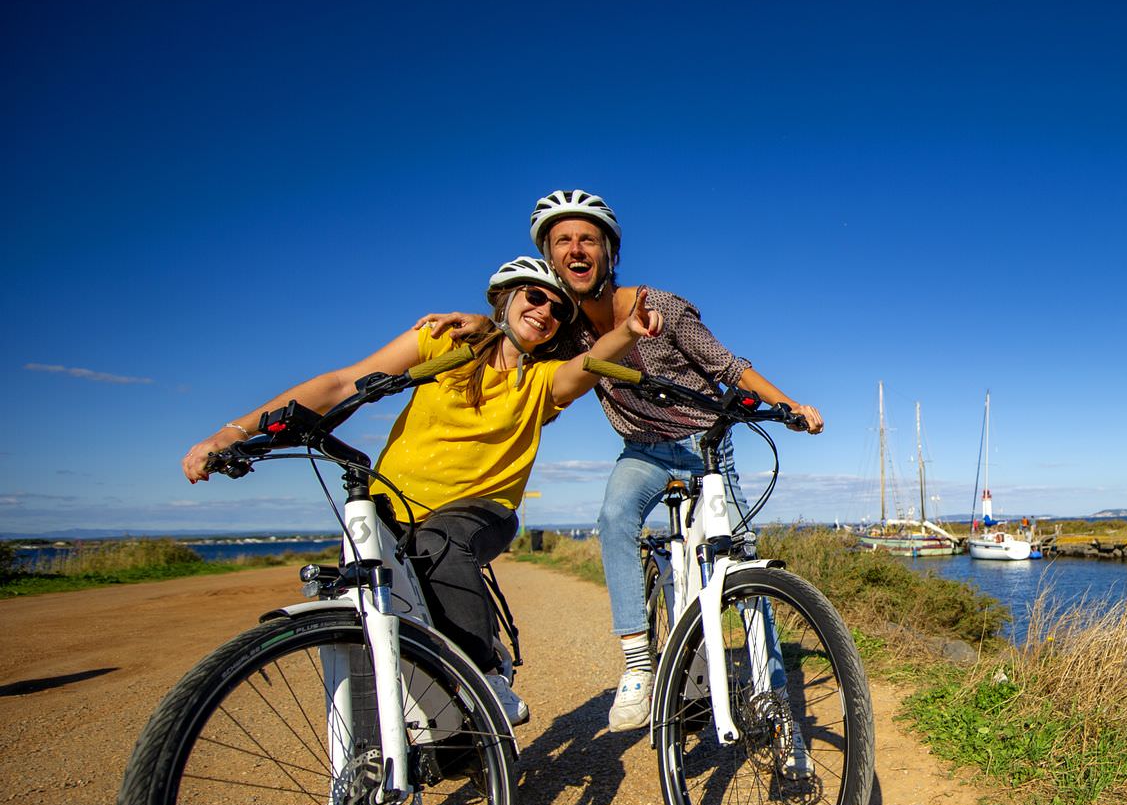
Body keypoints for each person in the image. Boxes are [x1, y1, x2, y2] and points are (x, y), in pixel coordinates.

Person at [183, 255, 663, 731]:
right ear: (508, 298)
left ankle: (484, 676)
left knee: (442, 540)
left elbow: (591, 363)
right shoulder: (443, 344)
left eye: (559, 310)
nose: (546, 311)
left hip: (479, 511)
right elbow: (342, 384)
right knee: (373, 613)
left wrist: (628, 331)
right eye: (536, 296)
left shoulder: (541, 382)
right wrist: (233, 433)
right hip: (390, 507)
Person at [422, 189, 823, 733]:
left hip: (705, 447)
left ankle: (770, 690)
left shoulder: (660, 306)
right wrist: (484, 323)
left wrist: (789, 405)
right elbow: (519, 335)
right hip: (643, 452)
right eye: (562, 240)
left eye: (588, 238)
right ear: (551, 255)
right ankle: (639, 663)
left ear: (610, 252)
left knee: (743, 561)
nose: (576, 247)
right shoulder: (563, 330)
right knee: (613, 516)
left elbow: (730, 365)